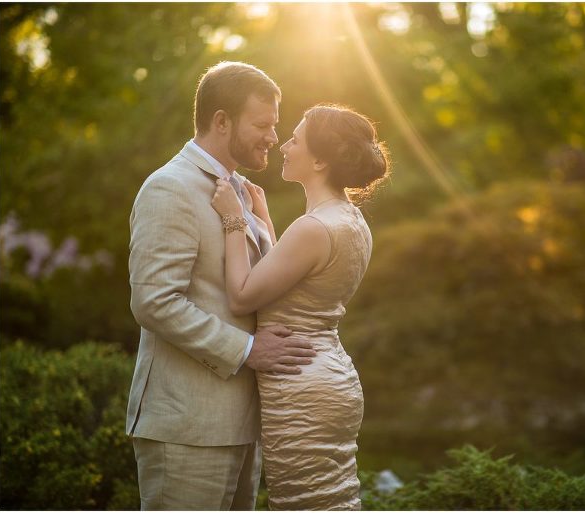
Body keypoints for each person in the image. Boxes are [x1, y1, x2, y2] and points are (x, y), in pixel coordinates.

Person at [126, 61, 316, 510]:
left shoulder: (243, 191)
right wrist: (248, 349)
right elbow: (154, 302)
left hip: (243, 425)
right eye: (262, 125)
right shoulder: (169, 188)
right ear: (222, 121)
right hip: (188, 428)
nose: (273, 137)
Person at [210, 104, 390, 510]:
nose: (283, 146)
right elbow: (291, 283)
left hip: (301, 383)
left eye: (295, 140)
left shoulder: (313, 227)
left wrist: (234, 219)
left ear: (321, 161)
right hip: (331, 375)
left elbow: (242, 295)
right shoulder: (349, 218)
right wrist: (264, 221)